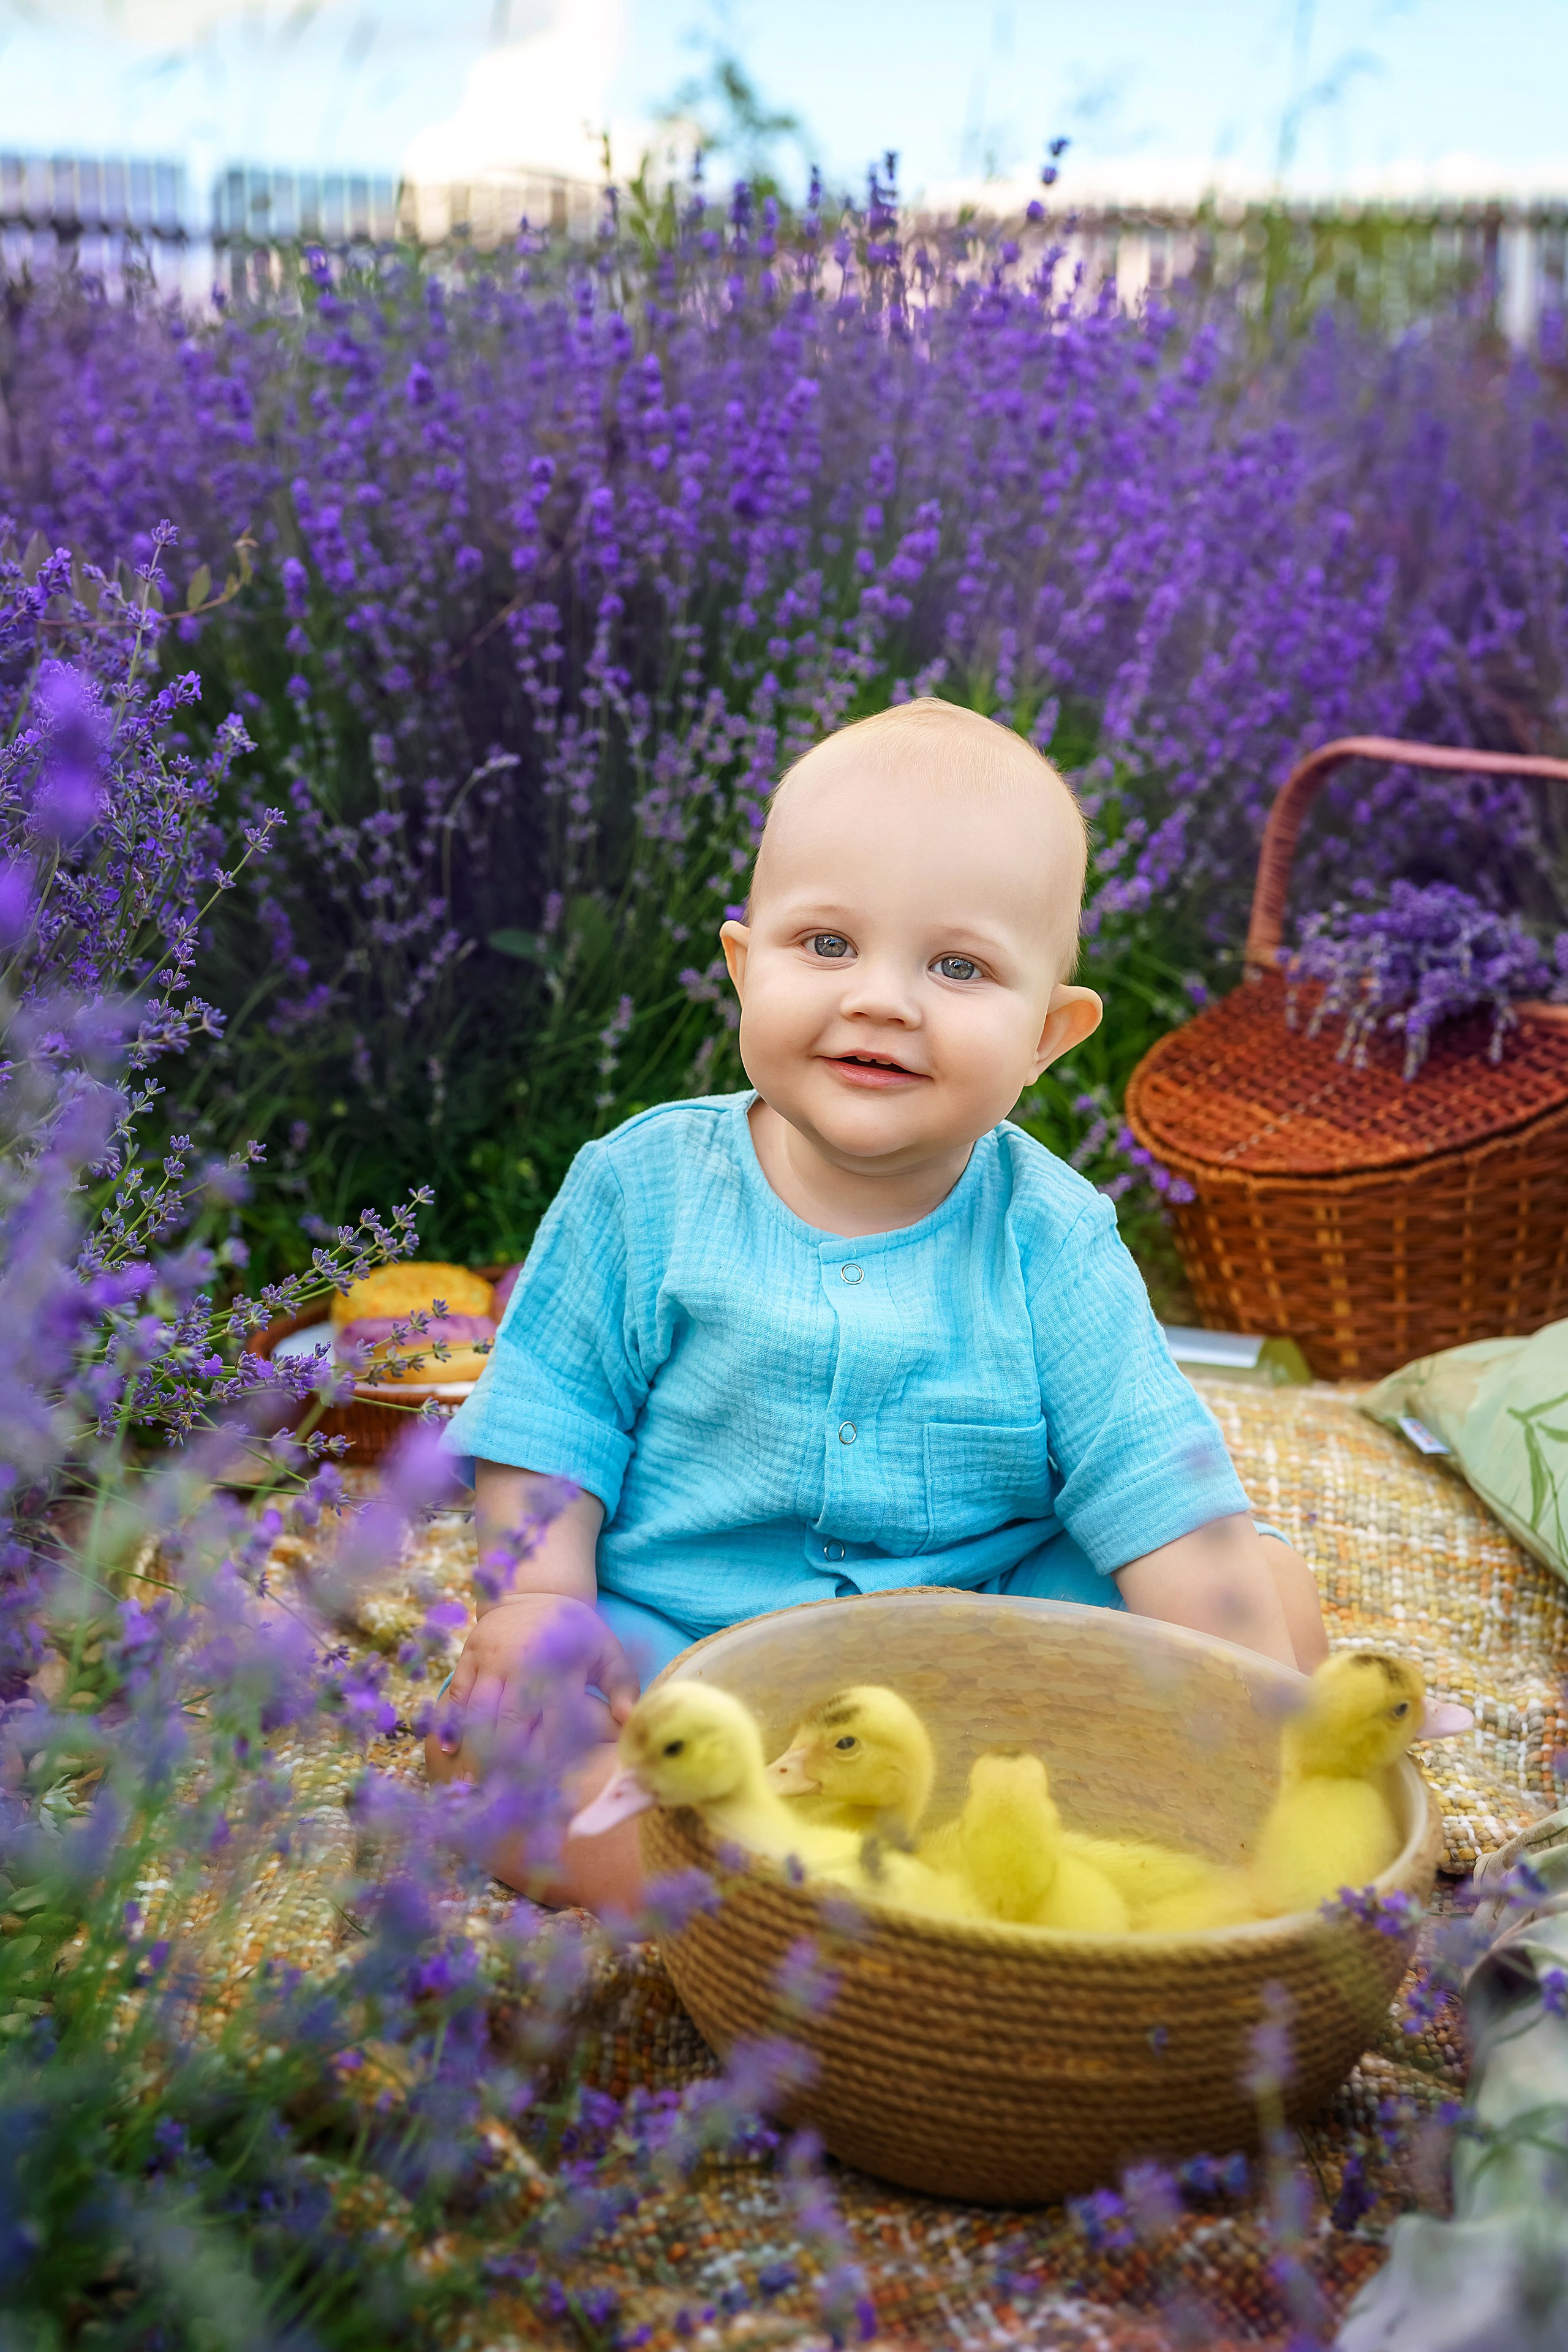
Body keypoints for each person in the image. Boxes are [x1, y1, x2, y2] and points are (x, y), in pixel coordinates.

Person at [428, 699, 1329, 1907]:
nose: (883, 1000)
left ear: (1046, 1036)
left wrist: (1250, 1727)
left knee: (1265, 1600)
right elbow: (552, 1415)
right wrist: (545, 1603)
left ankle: (951, 1820)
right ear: (745, 968)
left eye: (956, 968)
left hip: (984, 1636)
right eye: (827, 946)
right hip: (689, 1646)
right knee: (527, 1758)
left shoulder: (1049, 1235)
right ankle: (808, 1856)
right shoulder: (642, 1189)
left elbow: (1148, 1478)